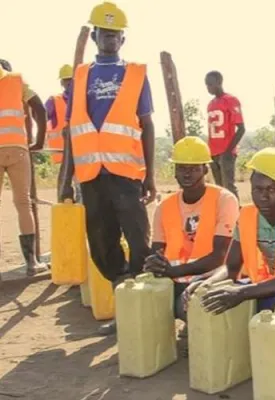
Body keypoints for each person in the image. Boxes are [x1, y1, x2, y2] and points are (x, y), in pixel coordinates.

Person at [58, 1, 156, 336]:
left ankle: (144, 308)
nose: (110, 39)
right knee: (101, 242)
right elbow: (72, 128)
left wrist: (151, 176)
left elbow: (147, 125)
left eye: (116, 34)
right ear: (95, 35)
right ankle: (123, 298)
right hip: (90, 175)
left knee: (139, 241)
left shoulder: (136, 73)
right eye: (104, 32)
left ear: (122, 39)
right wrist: (65, 177)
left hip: (126, 174)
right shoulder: (82, 75)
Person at [183, 147, 275, 315]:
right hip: (266, 285)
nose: (263, 197)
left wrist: (243, 293)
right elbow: (231, 268)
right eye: (257, 189)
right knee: (213, 296)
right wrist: (207, 283)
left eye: (272, 189)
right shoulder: (247, 215)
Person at [143, 136, 239, 321]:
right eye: (182, 168)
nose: (187, 174)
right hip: (173, 280)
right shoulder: (165, 206)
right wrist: (154, 264)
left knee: (193, 306)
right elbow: (158, 251)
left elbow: (220, 255)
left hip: (214, 278)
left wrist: (173, 272)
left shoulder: (223, 200)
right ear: (175, 171)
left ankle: (194, 337)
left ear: (205, 169)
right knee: (141, 300)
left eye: (194, 169)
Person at [0, 58, 48, 276]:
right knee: (23, 203)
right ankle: (32, 262)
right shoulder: (17, 81)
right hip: (18, 148)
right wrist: (39, 141)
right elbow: (40, 109)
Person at [205, 70, 245, 199]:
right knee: (219, 188)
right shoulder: (210, 104)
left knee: (229, 187)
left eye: (210, 84)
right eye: (206, 85)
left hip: (226, 151)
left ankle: (236, 216)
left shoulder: (231, 100)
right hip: (213, 152)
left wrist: (228, 151)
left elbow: (241, 128)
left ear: (219, 82)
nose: (208, 88)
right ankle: (224, 216)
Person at [45, 64, 81, 202]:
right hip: (63, 153)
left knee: (81, 188)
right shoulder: (54, 101)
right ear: (62, 83)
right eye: (66, 80)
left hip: (81, 153)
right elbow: (40, 117)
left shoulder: (84, 99)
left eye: (71, 80)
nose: (69, 83)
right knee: (65, 190)